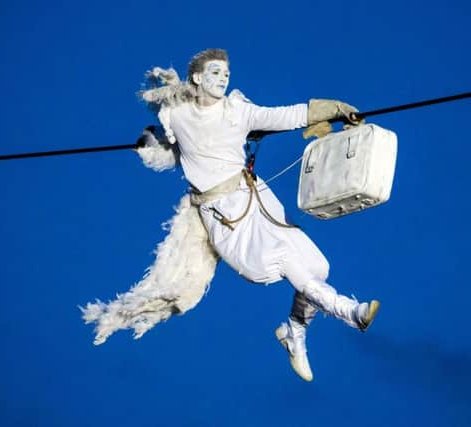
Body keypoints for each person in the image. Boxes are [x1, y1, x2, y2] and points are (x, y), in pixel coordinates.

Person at [82, 48, 379, 382]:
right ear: (196, 77)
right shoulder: (178, 114)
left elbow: (286, 115)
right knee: (282, 260)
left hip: (253, 197)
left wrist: (336, 109)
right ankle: (348, 312)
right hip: (222, 215)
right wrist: (147, 142)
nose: (223, 78)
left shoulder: (239, 112)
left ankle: (294, 332)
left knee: (318, 266)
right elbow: (165, 144)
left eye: (226, 73)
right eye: (215, 72)